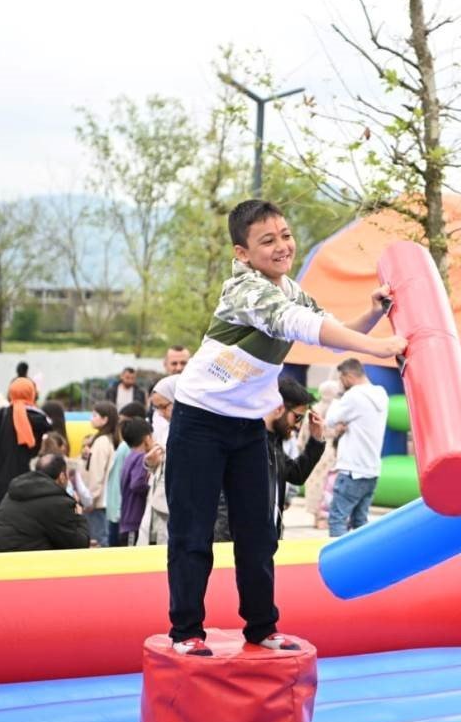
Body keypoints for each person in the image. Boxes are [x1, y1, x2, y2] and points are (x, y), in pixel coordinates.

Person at [166, 198, 405, 657]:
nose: (282, 247)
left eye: (286, 235)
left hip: (248, 427)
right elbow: (299, 324)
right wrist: (378, 348)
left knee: (259, 531)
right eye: (267, 241)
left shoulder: (291, 290)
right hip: (200, 421)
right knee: (192, 532)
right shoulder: (244, 290)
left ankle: (262, 627)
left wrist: (373, 314)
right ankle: (186, 631)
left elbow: (326, 329)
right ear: (242, 253)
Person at [214, 377, 329, 542]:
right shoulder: (246, 440)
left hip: (265, 541)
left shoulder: (274, 442)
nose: (298, 426)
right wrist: (228, 541)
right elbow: (226, 500)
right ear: (278, 408)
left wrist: (316, 440)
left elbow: (296, 475)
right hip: (239, 542)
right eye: (297, 417)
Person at [324, 359, 390, 537]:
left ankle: (338, 555)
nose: (341, 383)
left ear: (348, 376)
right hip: (372, 469)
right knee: (360, 522)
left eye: (341, 379)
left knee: (337, 520)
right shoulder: (382, 394)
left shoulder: (353, 396)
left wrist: (339, 395)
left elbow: (330, 419)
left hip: (352, 470)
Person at [0, 378, 52, 530]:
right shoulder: (42, 420)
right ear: (32, 394)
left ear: (11, 393)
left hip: (0, 482)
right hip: (31, 480)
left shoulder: (2, 414)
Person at [0, 454, 90, 553]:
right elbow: (79, 545)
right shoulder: (58, 503)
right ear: (62, 477)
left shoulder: (15, 491)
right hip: (18, 562)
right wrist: (79, 516)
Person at [141, 376, 178, 546]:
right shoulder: (166, 428)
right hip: (158, 502)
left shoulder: (197, 430)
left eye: (164, 407)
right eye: (157, 408)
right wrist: (151, 462)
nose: (161, 413)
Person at [303, 379, 342, 529]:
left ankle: (316, 516)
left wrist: (302, 448)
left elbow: (304, 433)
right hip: (332, 450)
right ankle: (324, 517)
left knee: (315, 483)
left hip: (314, 449)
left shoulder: (313, 410)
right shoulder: (339, 409)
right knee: (329, 484)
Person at [80, 402, 120, 548]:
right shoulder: (107, 439)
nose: (91, 418)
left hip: (97, 501)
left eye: (95, 415)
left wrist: (90, 499)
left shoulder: (101, 441)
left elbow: (97, 473)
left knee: (98, 540)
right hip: (102, 499)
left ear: (105, 419)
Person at [106, 402, 144, 546]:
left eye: (123, 421)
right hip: (119, 509)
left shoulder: (127, 447)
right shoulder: (126, 447)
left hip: (120, 510)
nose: (120, 426)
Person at [118, 418, 153, 546]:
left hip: (127, 520)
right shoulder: (141, 458)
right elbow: (137, 483)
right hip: (134, 521)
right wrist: (152, 488)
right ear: (147, 438)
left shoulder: (130, 456)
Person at [42, 432, 92, 511]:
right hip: (66, 506)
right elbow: (82, 490)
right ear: (62, 447)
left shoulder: (37, 466)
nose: (85, 449)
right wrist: (88, 503)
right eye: (83, 446)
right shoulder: (71, 467)